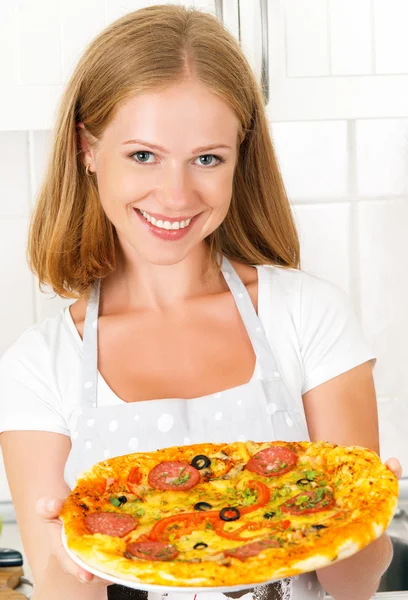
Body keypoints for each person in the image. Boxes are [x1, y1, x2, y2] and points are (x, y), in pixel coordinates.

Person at [0, 4, 401, 600]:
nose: (176, 194)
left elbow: (353, 584)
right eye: (143, 155)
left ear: (240, 158)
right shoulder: (39, 364)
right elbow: (65, 590)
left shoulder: (311, 317)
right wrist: (67, 561)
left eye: (207, 159)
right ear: (88, 148)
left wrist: (363, 522)